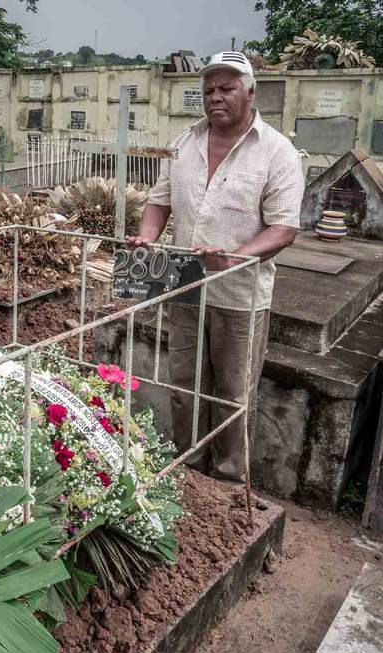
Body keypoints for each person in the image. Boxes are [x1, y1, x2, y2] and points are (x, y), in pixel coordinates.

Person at [128, 51, 304, 482]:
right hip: (186, 282)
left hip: (240, 293)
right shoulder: (184, 143)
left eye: (226, 89)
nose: (215, 97)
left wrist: (236, 257)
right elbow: (158, 203)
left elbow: (283, 228)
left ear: (250, 92)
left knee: (232, 392)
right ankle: (188, 466)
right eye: (208, 90)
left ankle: (227, 479)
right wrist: (146, 240)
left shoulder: (277, 152)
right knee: (183, 383)